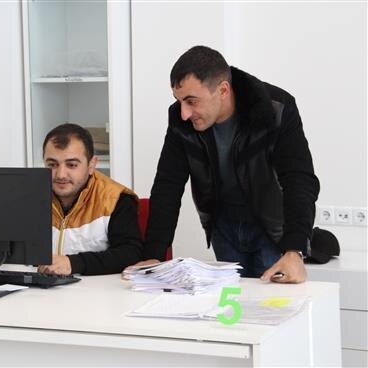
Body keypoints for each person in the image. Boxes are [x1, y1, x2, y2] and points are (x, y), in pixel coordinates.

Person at [135, 46, 319, 283]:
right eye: (179, 101)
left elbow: (299, 179)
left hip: (273, 230)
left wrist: (295, 249)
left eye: (191, 101)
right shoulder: (180, 121)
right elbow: (167, 186)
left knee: (271, 310)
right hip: (224, 229)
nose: (183, 113)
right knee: (233, 312)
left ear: (222, 90)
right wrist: (154, 256)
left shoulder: (276, 108)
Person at [0, 123, 143, 277]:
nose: (60, 174)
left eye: (71, 164)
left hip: (96, 300)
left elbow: (129, 254)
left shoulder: (116, 199)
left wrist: (73, 263)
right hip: (37, 297)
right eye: (52, 164)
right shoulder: (25, 195)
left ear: (92, 164)